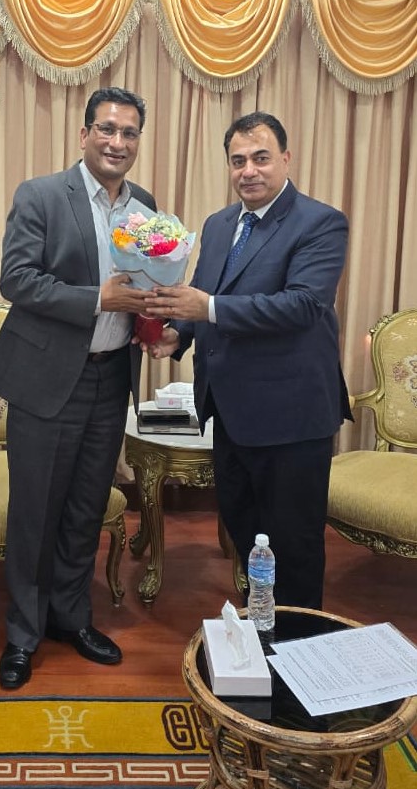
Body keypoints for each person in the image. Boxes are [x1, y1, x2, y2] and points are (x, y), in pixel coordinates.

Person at [0, 87, 158, 689]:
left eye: (128, 132)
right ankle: (22, 633)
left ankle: (71, 617)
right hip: (49, 379)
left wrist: (154, 323)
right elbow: (16, 280)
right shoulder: (41, 195)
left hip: (112, 377)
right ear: (84, 135)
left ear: (137, 141)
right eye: (107, 129)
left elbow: (144, 284)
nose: (117, 142)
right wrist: (96, 298)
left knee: (87, 507)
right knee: (36, 511)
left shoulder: (144, 205)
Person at [146, 111, 351, 610]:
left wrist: (207, 309)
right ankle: (262, 620)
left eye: (261, 158)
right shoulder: (219, 225)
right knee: (245, 527)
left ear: (286, 158)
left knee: (293, 544)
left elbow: (303, 305)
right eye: (238, 161)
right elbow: (207, 292)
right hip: (230, 411)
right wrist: (178, 335)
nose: (249, 171)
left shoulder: (320, 222)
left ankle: (296, 637)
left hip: (292, 416)